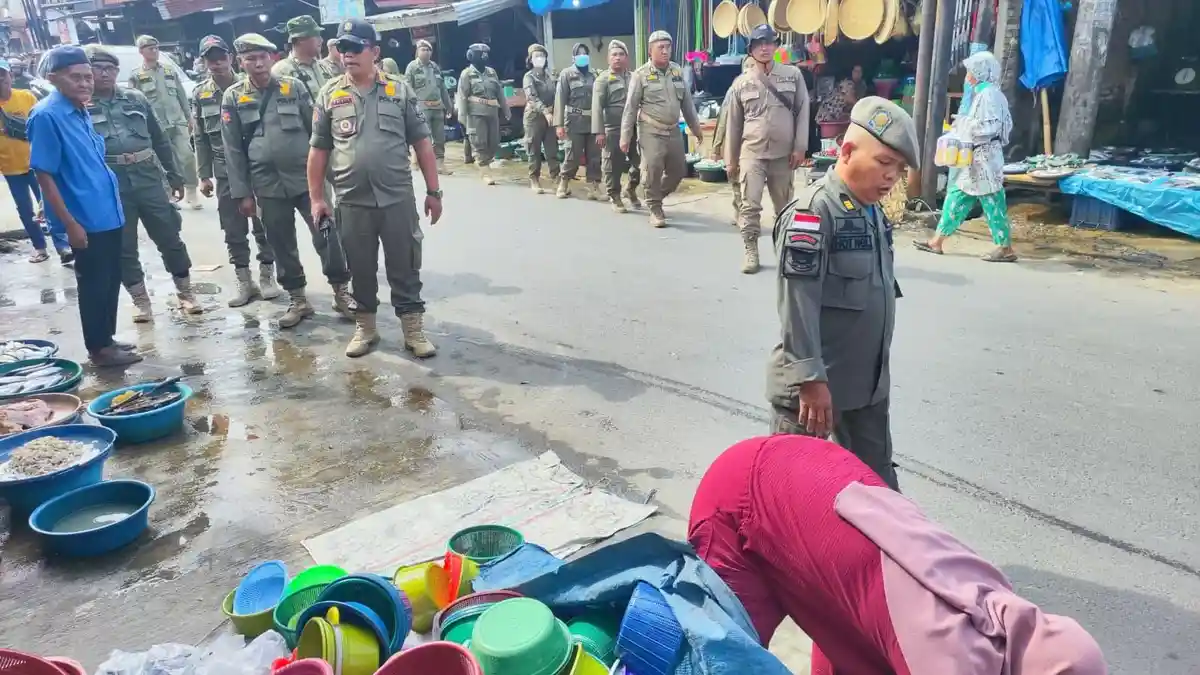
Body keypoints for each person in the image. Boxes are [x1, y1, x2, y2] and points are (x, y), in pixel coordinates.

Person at [689, 435, 1109, 675]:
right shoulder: (949, 658)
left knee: (859, 627)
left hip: (820, 477)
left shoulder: (1004, 618)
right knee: (722, 662)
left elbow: (853, 611)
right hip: (747, 496)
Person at [767, 97, 918, 490]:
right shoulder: (814, 213)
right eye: (884, 163)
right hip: (815, 392)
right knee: (792, 496)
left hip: (865, 386)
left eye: (899, 170)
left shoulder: (871, 212)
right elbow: (796, 302)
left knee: (880, 493)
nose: (891, 178)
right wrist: (810, 379)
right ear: (847, 151)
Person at [309, 18, 443, 360]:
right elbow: (319, 150)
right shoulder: (330, 94)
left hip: (396, 197)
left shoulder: (399, 91)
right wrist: (317, 198)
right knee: (360, 266)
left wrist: (434, 191)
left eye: (355, 48)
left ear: (375, 52)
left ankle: (413, 329)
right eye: (342, 48)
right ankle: (365, 327)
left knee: (405, 263)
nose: (347, 55)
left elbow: (423, 143)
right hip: (351, 200)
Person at [221, 33, 354, 329]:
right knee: (281, 243)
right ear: (240, 62)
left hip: (307, 181)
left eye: (262, 57)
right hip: (266, 184)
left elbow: (318, 134)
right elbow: (232, 149)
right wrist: (242, 193)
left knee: (328, 235)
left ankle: (342, 292)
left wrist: (334, 176)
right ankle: (298, 299)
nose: (258, 64)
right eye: (250, 59)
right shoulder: (233, 97)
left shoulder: (292, 87)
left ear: (272, 59)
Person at [29, 46, 140, 366]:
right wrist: (69, 223)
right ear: (54, 79)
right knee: (93, 283)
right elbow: (44, 174)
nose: (85, 83)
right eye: (75, 78)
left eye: (88, 77)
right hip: (84, 218)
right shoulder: (48, 115)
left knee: (109, 278)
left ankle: (106, 338)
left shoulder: (80, 110)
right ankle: (99, 349)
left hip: (108, 212)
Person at [86, 45, 202, 322]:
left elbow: (160, 138)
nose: (105, 74)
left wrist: (174, 175)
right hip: (112, 185)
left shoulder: (134, 98)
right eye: (98, 68)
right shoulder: (81, 106)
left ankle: (185, 292)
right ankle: (141, 300)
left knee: (169, 236)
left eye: (110, 68)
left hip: (148, 176)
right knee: (124, 246)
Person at [192, 35, 280, 308]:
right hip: (223, 170)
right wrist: (203, 174)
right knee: (233, 228)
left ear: (231, 58)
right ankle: (245, 281)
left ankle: (267, 275)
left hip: (255, 167)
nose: (216, 63)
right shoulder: (200, 94)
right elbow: (200, 137)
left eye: (220, 57)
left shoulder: (248, 87)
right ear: (203, 62)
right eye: (210, 59)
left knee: (264, 224)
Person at [915, 51, 1017, 263]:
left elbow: (990, 127)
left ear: (981, 72)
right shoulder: (984, 94)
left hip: (985, 158)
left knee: (992, 202)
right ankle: (937, 241)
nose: (967, 75)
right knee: (958, 196)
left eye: (971, 71)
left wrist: (964, 125)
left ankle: (1004, 247)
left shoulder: (989, 95)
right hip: (977, 158)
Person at [724, 25, 810, 275]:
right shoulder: (741, 83)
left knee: (784, 207)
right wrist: (731, 159)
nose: (764, 48)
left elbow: (804, 111)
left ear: (775, 46)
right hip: (752, 153)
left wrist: (800, 147)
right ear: (750, 50)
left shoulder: (792, 75)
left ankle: (784, 250)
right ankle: (751, 250)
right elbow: (733, 123)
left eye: (769, 43)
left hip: (783, 155)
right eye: (759, 44)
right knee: (749, 206)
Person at [620, 30, 702, 228]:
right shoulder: (641, 75)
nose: (666, 51)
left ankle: (654, 195)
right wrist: (625, 136)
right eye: (661, 47)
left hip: (673, 130)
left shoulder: (677, 72)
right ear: (650, 51)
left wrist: (696, 129)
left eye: (668, 47)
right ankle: (655, 207)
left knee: (678, 170)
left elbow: (688, 105)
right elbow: (630, 107)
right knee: (652, 169)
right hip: (650, 129)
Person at [0, 58, 69, 263]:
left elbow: (43, 125)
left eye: (2, 75)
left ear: (10, 76)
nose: (0, 81)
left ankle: (63, 246)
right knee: (25, 209)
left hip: (36, 163)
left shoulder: (26, 97)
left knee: (51, 203)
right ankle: (40, 247)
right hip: (10, 168)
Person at [129, 35, 200, 209]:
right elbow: (135, 102)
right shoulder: (136, 75)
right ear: (141, 51)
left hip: (177, 121)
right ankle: (170, 193)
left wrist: (189, 116)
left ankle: (191, 191)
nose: (154, 50)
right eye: (150, 48)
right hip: (155, 125)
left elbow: (182, 95)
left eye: (156, 47)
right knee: (162, 161)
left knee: (187, 156)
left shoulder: (169, 70)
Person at [592, 39, 640, 213]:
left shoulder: (635, 77)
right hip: (612, 129)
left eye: (621, 54)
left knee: (641, 163)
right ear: (608, 58)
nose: (617, 58)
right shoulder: (602, 80)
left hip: (634, 128)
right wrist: (599, 132)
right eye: (614, 54)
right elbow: (597, 107)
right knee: (613, 165)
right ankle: (615, 196)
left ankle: (631, 188)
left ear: (627, 58)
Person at [711, 56, 755, 227]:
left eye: (753, 65)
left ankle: (747, 211)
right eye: (747, 66)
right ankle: (739, 209)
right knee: (735, 178)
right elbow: (723, 120)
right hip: (735, 141)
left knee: (750, 180)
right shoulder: (734, 90)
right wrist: (716, 148)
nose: (750, 69)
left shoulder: (767, 87)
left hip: (755, 143)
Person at [457, 43, 509, 186]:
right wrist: (462, 117)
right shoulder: (466, 74)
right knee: (480, 143)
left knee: (493, 142)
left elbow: (499, 92)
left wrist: (506, 110)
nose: (484, 56)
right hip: (475, 113)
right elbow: (462, 96)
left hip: (492, 112)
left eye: (486, 53)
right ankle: (485, 171)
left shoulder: (491, 72)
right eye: (481, 54)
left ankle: (483, 162)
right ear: (472, 56)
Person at [554, 42, 600, 200]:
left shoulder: (594, 75)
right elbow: (559, 99)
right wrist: (559, 124)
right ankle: (564, 183)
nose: (582, 56)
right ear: (573, 57)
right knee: (572, 154)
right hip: (574, 121)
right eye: (579, 53)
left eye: (585, 53)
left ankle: (595, 187)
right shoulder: (566, 74)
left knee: (594, 156)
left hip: (592, 121)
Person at [404, 39, 453, 174]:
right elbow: (407, 87)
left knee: (440, 138)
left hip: (437, 107)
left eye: (428, 50)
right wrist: (412, 106)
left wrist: (449, 106)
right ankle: (417, 160)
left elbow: (442, 88)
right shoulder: (412, 67)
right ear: (417, 52)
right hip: (421, 106)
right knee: (423, 137)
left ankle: (440, 164)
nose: (426, 52)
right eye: (423, 49)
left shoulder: (435, 67)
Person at [522, 43, 558, 194]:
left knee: (552, 149)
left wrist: (555, 111)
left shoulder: (550, 76)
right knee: (534, 149)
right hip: (534, 117)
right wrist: (545, 111)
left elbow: (557, 95)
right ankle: (534, 178)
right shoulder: (528, 77)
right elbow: (532, 97)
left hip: (550, 117)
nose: (540, 59)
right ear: (530, 59)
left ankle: (556, 178)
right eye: (536, 56)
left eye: (542, 56)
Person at [273, 15, 333, 101]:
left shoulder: (324, 67)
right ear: (301, 39)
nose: (321, 40)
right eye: (316, 35)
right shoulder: (281, 72)